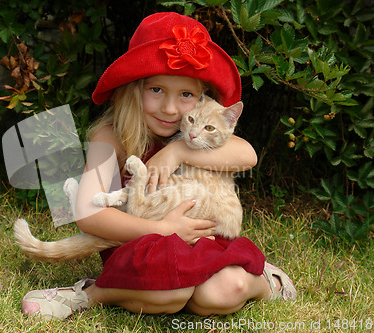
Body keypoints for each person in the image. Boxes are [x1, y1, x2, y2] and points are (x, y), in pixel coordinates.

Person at [21, 12, 297, 320]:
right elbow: (87, 213)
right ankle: (88, 293)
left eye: (186, 95)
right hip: (141, 244)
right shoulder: (110, 136)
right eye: (156, 90)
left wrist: (178, 151)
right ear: (133, 89)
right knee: (168, 289)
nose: (169, 108)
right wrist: (162, 229)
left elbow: (248, 156)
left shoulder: (194, 135)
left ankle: (263, 281)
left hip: (200, 241)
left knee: (223, 292)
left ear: (203, 99)